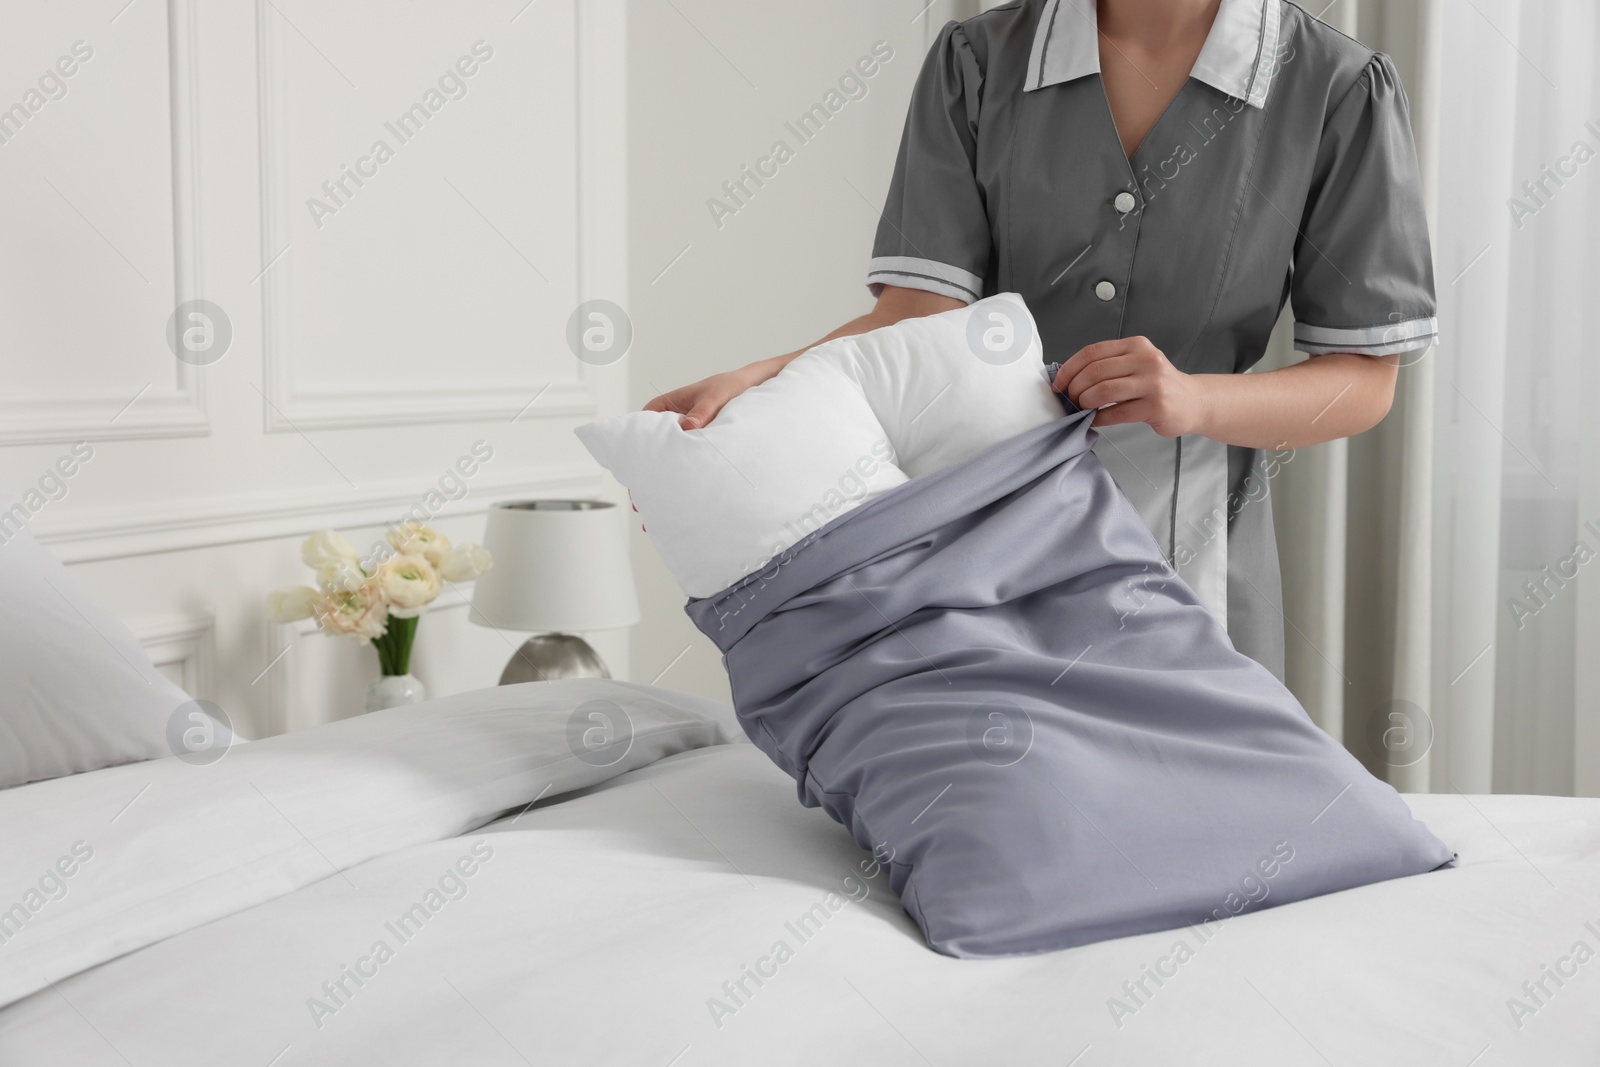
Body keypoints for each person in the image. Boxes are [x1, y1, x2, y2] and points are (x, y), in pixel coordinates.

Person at [645, 0, 1437, 681]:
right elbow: (913, 317)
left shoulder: (1334, 87)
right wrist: (761, 381)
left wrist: (1196, 399)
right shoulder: (978, 63)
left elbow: (1363, 380)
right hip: (986, 532)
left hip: (1200, 554)